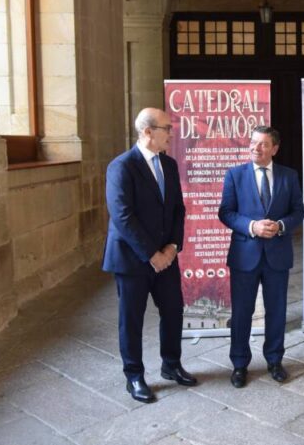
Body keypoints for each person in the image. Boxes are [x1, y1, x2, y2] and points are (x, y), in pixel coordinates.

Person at [102, 107, 197, 403]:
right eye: (166, 128)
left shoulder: (168, 164)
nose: (172, 133)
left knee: (173, 310)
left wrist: (172, 247)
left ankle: (171, 364)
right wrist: (151, 254)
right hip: (132, 260)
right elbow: (122, 216)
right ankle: (134, 376)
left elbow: (177, 210)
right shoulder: (121, 166)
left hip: (166, 257)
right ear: (147, 132)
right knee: (132, 319)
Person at [218, 126, 304, 388]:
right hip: (245, 254)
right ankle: (240, 364)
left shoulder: (289, 176)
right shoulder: (235, 175)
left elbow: (298, 211)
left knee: (276, 311)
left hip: (277, 255)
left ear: (274, 149)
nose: (255, 148)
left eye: (263, 144)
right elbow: (226, 212)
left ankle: (275, 360)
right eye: (253, 143)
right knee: (242, 312)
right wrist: (252, 227)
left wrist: (279, 226)